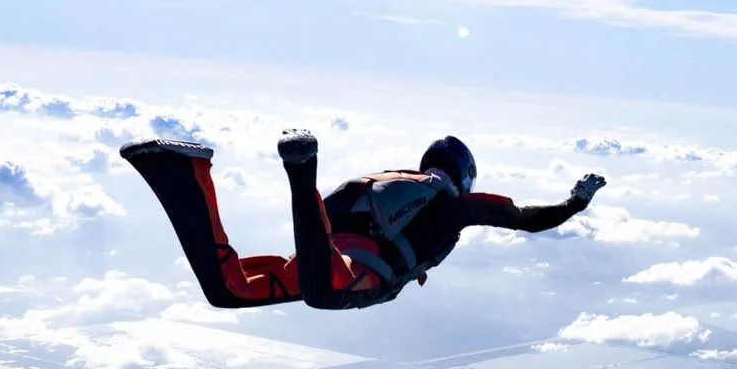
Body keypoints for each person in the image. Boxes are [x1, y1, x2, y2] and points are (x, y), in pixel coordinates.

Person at [118, 131, 602, 311]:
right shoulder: (456, 206)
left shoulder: (390, 186)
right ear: (466, 178)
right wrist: (575, 202)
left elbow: (330, 217)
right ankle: (300, 165)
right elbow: (527, 219)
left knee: (228, 290)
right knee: (323, 296)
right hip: (354, 272)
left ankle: (181, 171)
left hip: (327, 252)